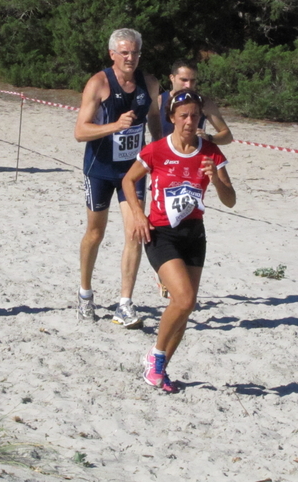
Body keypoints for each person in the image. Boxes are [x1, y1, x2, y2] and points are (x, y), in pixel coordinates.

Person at [123, 89, 236, 392]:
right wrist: (137, 214)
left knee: (183, 307)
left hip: (194, 235)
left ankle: (159, 370)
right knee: (185, 299)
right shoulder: (157, 150)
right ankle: (155, 357)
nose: (189, 121)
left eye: (195, 115)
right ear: (172, 117)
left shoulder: (210, 152)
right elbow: (128, 180)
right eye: (183, 115)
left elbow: (230, 200)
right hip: (160, 233)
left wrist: (215, 178)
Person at [74, 28, 163, 328]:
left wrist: (158, 149)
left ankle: (125, 303)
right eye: (124, 52)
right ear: (112, 54)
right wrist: (114, 126)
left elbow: (153, 118)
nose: (130, 58)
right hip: (99, 169)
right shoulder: (98, 84)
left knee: (136, 231)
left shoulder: (148, 84)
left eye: (135, 52)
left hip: (132, 171)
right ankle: (85, 294)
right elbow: (80, 131)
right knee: (95, 234)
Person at [158, 59, 233, 145]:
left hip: (193, 154)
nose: (188, 85)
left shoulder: (204, 103)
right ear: (172, 78)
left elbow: (227, 136)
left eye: (192, 80)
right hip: (163, 155)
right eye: (184, 80)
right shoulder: (159, 102)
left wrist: (208, 138)